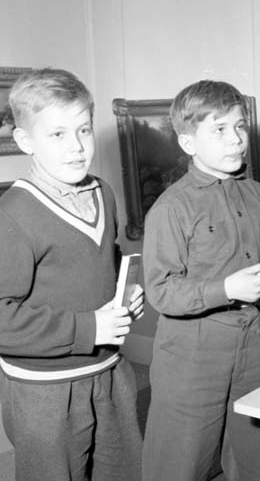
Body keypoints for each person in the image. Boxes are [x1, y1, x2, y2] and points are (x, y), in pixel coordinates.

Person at [141, 79, 260, 481]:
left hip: (258, 347)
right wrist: (227, 289)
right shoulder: (171, 208)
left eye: (240, 126)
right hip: (193, 358)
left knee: (258, 455)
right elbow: (161, 291)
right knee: (181, 461)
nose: (236, 139)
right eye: (220, 129)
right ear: (188, 142)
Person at [0, 68, 144, 481]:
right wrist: (89, 327)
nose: (77, 147)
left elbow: (103, 259)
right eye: (58, 134)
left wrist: (127, 293)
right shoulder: (13, 215)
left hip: (111, 371)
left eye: (84, 130)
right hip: (46, 391)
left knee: (124, 471)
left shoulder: (103, 192)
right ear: (25, 141)